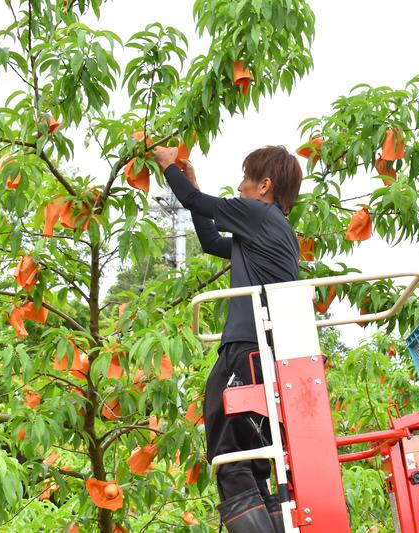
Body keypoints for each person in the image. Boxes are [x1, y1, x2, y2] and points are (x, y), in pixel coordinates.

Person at [153, 145, 302, 533]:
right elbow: (209, 240)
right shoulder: (268, 230)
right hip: (259, 352)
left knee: (232, 462)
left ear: (264, 185)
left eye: (245, 180)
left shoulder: (260, 213)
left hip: (248, 349)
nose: (239, 187)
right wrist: (193, 186)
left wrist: (170, 168)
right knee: (253, 462)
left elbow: (192, 200)